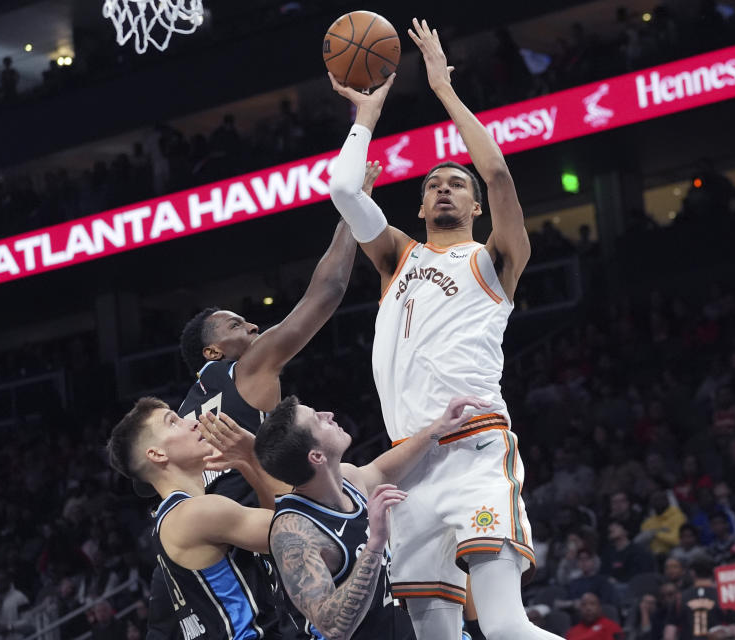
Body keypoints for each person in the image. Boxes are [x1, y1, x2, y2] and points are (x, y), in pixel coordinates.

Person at [327, 18, 550, 640]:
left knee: (505, 627)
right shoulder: (398, 256)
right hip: (410, 465)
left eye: (457, 185)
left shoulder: (493, 260)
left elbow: (501, 175)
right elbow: (344, 186)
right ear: (420, 207)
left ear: (475, 207)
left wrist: (445, 92)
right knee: (434, 636)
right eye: (433, 185)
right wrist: (366, 114)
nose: (444, 189)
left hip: (477, 450)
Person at [145, 164, 381, 639]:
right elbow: (327, 292)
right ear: (212, 353)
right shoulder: (245, 374)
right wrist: (350, 209)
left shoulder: (190, 411)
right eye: (236, 325)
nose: (253, 328)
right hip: (254, 555)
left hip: (200, 569)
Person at [256, 395, 489, 639]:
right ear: (316, 456)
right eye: (317, 419)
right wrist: (375, 544)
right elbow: (333, 627)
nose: (329, 414)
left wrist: (438, 428)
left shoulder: (348, 479)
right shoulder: (293, 532)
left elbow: (383, 470)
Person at [107, 400, 283, 639]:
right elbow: (297, 529)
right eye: (173, 422)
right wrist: (254, 453)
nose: (193, 423)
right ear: (157, 454)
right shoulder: (194, 513)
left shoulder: (177, 516)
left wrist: (249, 465)